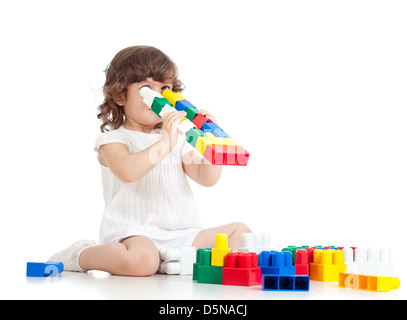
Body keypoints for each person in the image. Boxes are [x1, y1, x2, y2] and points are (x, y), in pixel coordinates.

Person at [50, 46, 251, 276]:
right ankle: (81, 255)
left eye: (164, 88)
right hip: (135, 234)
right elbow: (128, 171)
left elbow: (207, 179)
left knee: (242, 234)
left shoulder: (177, 137)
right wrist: (165, 142)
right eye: (146, 88)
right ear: (120, 95)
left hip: (182, 233)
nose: (158, 96)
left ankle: (167, 262)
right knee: (142, 260)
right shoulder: (113, 140)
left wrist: (212, 144)